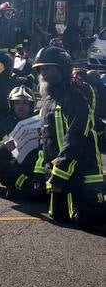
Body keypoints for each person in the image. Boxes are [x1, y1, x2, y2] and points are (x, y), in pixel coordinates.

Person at [32, 46, 105, 227]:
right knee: (59, 216)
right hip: (59, 174)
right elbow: (45, 141)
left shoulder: (77, 95)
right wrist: (40, 174)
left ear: (62, 68)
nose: (43, 74)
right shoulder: (48, 99)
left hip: (82, 175)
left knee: (84, 218)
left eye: (48, 68)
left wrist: (59, 176)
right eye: (41, 69)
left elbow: (76, 137)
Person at [0, 85, 44, 200]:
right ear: (11, 105)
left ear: (31, 105)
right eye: (17, 103)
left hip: (37, 167)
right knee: (4, 169)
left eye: (25, 103)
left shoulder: (40, 123)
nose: (21, 106)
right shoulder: (3, 126)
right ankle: (26, 188)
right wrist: (3, 148)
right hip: (15, 167)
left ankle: (37, 188)